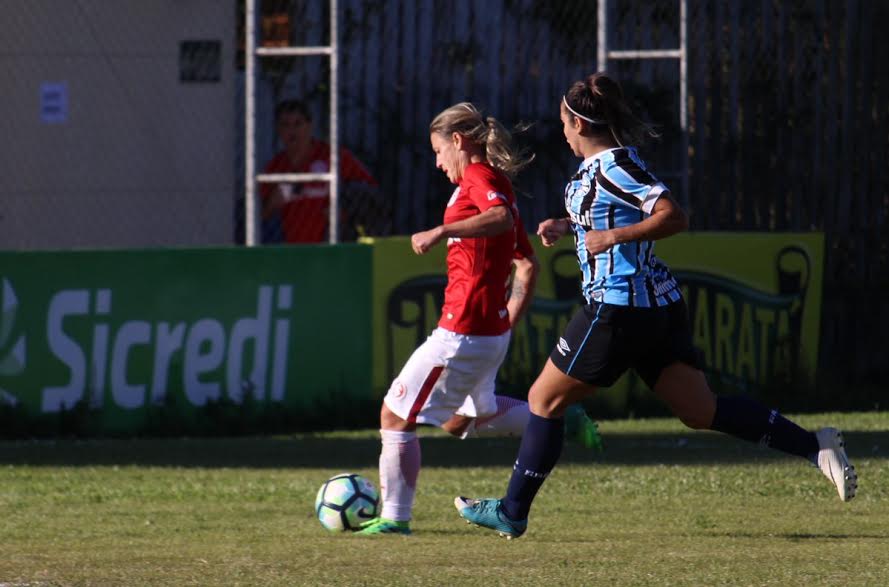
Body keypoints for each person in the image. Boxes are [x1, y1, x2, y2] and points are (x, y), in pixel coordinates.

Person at [454, 73, 858, 539]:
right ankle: (815, 446)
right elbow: (613, 212)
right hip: (655, 306)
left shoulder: (613, 167)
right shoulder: (606, 168)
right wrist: (569, 226)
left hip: (618, 306)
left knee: (544, 401)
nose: (562, 132)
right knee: (700, 411)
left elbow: (672, 215)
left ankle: (511, 511)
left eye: (564, 124)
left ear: (580, 125)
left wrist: (613, 236)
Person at [357, 103, 601, 536]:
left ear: (458, 141)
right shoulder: (496, 186)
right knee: (460, 421)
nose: (436, 162)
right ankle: (560, 417)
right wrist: (504, 321)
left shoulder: (479, 178)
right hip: (487, 333)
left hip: (461, 332)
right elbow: (526, 266)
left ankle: (395, 517)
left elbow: (501, 219)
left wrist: (441, 231)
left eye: (438, 150)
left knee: (394, 415)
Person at [260, 99, 387, 243]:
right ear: (278, 130)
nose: (292, 131)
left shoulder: (332, 157)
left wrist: (344, 211)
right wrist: (272, 203)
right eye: (285, 125)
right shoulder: (276, 167)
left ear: (309, 126)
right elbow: (259, 215)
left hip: (333, 243)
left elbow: (369, 193)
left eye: (297, 124)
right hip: (292, 247)